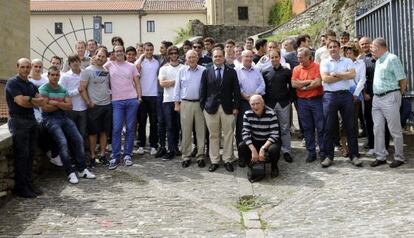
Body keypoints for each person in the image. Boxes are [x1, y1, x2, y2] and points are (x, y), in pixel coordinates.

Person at [39, 66, 96, 184]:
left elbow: (70, 106)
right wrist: (61, 103)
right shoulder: (43, 89)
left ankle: (82, 169)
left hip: (63, 117)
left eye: (56, 75)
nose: (55, 77)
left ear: (59, 76)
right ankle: (70, 172)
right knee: (63, 142)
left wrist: (54, 102)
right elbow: (45, 108)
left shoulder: (62, 88)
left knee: (79, 139)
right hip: (50, 119)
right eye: (52, 75)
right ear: (48, 75)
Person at [6, 58, 46, 198]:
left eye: (27, 67)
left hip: (31, 121)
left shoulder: (30, 85)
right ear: (17, 67)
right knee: (22, 155)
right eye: (23, 67)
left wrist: (28, 100)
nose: (25, 69)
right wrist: (31, 101)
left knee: (30, 154)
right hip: (18, 121)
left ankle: (29, 184)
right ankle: (21, 188)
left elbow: (41, 101)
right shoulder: (12, 83)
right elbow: (20, 102)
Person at [320, 40, 362, 168]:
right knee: (329, 126)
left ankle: (354, 155)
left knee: (351, 126)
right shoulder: (325, 62)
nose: (333, 49)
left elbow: (352, 74)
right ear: (328, 49)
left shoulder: (348, 61)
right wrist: (344, 76)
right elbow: (325, 78)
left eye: (335, 47)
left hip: (345, 95)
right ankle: (328, 156)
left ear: (339, 48)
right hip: (330, 96)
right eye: (330, 47)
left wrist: (336, 75)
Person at [200, 47, 241, 172]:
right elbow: (203, 91)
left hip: (228, 108)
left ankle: (228, 159)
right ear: (212, 58)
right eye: (215, 56)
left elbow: (236, 91)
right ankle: (215, 160)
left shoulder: (231, 71)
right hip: (211, 109)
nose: (218, 58)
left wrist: (235, 107)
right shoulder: (207, 72)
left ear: (224, 57)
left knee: (228, 135)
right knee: (214, 135)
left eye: (220, 56)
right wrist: (204, 107)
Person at [370, 38, 407, 168]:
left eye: (372, 47)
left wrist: (398, 95)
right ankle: (381, 156)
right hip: (377, 99)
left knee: (394, 129)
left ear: (379, 47)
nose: (371, 49)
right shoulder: (378, 60)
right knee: (378, 128)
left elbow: (402, 79)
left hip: (390, 96)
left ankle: (399, 157)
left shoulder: (392, 58)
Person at [105, 45, 142, 170]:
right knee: (116, 129)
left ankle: (127, 155)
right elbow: (96, 66)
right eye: (117, 51)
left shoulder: (131, 66)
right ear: (113, 53)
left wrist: (139, 97)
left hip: (131, 99)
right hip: (117, 101)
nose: (119, 53)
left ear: (124, 52)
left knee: (131, 128)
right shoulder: (109, 65)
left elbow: (137, 82)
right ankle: (115, 156)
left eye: (121, 51)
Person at [291, 47, 325, 163]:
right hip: (302, 102)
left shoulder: (317, 66)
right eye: (298, 57)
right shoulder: (296, 69)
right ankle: (311, 152)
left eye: (301, 57)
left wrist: (303, 86)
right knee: (307, 127)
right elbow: (294, 83)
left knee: (320, 127)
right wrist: (308, 83)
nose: (299, 59)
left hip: (316, 100)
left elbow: (318, 82)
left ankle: (323, 152)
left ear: (307, 56)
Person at [174, 50, 206, 168]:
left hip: (200, 104)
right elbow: (177, 88)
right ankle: (186, 156)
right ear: (186, 59)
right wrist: (176, 104)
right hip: (185, 104)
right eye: (189, 57)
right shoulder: (181, 71)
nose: (192, 59)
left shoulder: (204, 70)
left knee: (200, 131)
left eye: (194, 57)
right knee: (186, 131)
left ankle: (200, 155)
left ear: (197, 58)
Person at [80, 47, 112, 166]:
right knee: (93, 133)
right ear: (95, 56)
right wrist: (88, 102)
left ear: (106, 58)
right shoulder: (87, 71)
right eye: (99, 56)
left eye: (103, 56)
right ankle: (93, 156)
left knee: (104, 132)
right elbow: (82, 88)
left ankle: (103, 155)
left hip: (107, 105)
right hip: (94, 106)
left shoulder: (106, 70)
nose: (101, 58)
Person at [238, 95, 281, 181]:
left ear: (263, 103)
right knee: (242, 146)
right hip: (255, 140)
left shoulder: (271, 113)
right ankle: (251, 164)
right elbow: (245, 133)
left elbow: (274, 134)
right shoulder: (247, 114)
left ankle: (274, 167)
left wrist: (263, 148)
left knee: (274, 149)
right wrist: (253, 149)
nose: (255, 106)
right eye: (252, 104)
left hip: (268, 141)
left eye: (258, 103)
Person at [262, 49, 294, 163]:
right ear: (269, 58)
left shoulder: (286, 71)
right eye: (272, 57)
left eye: (276, 57)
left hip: (283, 104)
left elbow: (292, 87)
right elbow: (263, 89)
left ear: (280, 58)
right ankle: (270, 150)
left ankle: (286, 151)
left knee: (284, 128)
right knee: (270, 129)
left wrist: (290, 99)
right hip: (270, 104)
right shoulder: (265, 72)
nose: (274, 59)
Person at [235, 50, 265, 153]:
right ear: (241, 58)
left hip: (257, 103)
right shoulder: (236, 70)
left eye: (250, 56)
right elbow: (236, 87)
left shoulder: (257, 70)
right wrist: (246, 97)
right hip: (244, 103)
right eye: (246, 56)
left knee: (257, 127)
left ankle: (256, 151)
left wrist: (254, 96)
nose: (248, 58)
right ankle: (243, 153)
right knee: (242, 128)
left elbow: (262, 85)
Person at [158, 46, 184, 160]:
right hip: (168, 100)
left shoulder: (183, 67)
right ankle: (170, 149)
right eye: (171, 53)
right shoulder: (164, 68)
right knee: (169, 126)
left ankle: (176, 147)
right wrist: (177, 81)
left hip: (181, 99)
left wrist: (172, 83)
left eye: (175, 53)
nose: (173, 55)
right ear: (168, 55)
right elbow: (162, 83)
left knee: (179, 126)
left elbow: (186, 83)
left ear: (178, 54)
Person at [135, 42, 159, 156]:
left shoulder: (157, 62)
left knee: (154, 122)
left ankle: (154, 145)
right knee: (142, 122)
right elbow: (134, 67)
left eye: (151, 50)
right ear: (144, 50)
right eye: (147, 50)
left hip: (154, 96)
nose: (149, 52)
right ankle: (141, 145)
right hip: (142, 95)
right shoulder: (141, 62)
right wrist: (141, 56)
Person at [59, 54, 87, 139]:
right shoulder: (65, 76)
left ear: (80, 62)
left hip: (83, 108)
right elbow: (62, 93)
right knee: (71, 133)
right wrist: (77, 91)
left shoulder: (85, 73)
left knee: (83, 133)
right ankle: (71, 152)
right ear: (69, 63)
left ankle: (80, 152)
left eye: (77, 61)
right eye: (72, 61)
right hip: (71, 109)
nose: (75, 63)